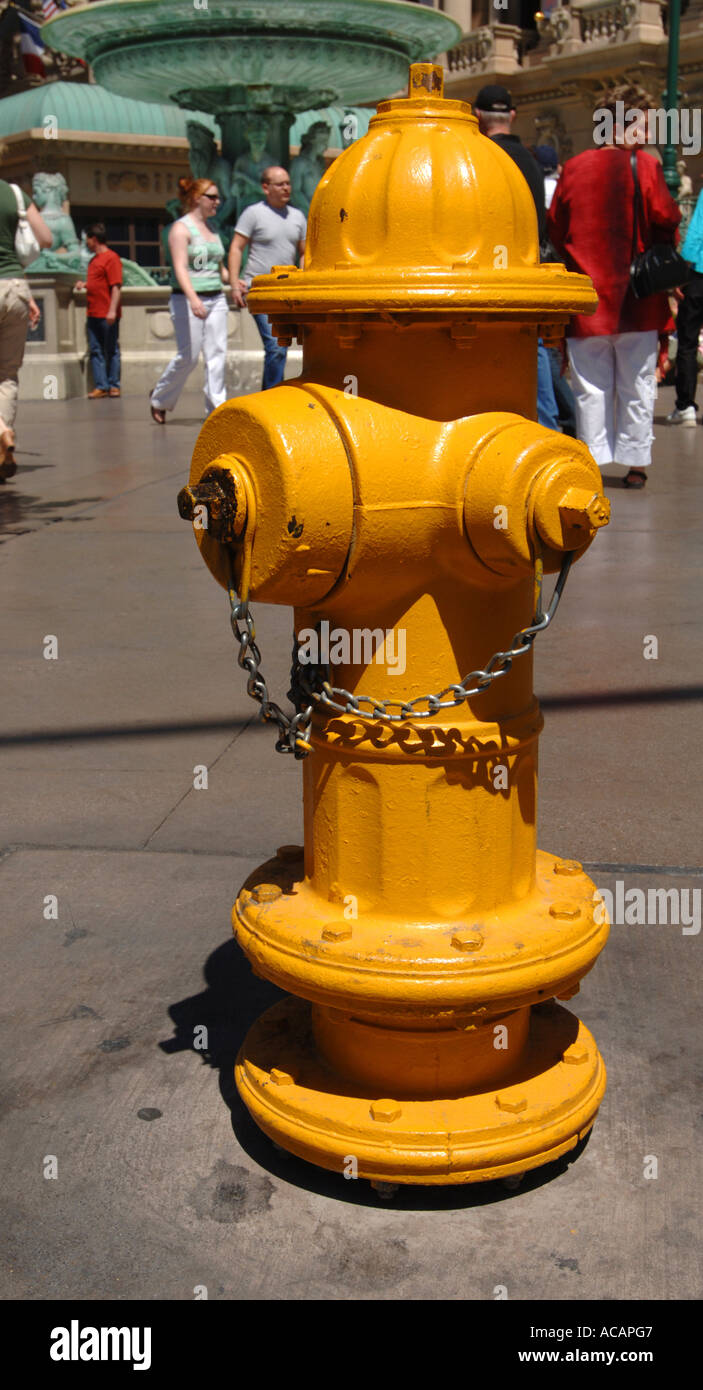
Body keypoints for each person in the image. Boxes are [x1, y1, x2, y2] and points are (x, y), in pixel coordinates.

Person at [548, 104, 681, 487]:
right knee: (637, 383)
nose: (645, 136)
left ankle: (592, 458)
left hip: (590, 295)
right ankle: (635, 464)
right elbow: (667, 216)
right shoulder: (645, 166)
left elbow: (556, 226)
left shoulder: (573, 168)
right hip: (636, 297)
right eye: (640, 129)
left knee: (589, 387)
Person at [474, 85, 560, 433]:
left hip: (488, 271)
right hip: (527, 268)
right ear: (511, 115)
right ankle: (550, 429)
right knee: (534, 348)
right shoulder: (531, 160)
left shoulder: (476, 156)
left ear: (477, 114)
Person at [149, 177, 229, 423]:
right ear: (197, 198)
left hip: (216, 297)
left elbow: (219, 267)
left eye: (218, 197)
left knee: (217, 354)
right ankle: (160, 397)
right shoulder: (180, 229)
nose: (217, 202)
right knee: (189, 356)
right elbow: (181, 268)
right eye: (212, 197)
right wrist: (193, 298)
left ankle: (217, 409)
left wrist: (235, 280)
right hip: (186, 298)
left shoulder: (213, 228)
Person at [228, 167, 306, 391]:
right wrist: (235, 283)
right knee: (275, 346)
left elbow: (303, 251)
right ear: (265, 187)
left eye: (288, 183)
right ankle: (271, 395)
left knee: (283, 345)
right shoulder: (253, 213)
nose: (286, 188)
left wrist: (301, 280)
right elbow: (236, 247)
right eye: (280, 184)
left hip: (287, 291)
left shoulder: (297, 216)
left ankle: (270, 394)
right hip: (259, 289)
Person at [0, 174, 51, 479]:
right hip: (16, 288)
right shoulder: (16, 193)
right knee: (6, 374)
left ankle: (2, 429)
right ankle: (3, 436)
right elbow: (45, 238)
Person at [666, 186, 703, 426]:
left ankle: (685, 405)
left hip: (700, 274)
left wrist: (683, 274)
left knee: (688, 341)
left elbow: (696, 232)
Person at [73, 222, 123, 399]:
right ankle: (101, 386)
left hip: (106, 314)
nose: (86, 243)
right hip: (92, 313)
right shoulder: (94, 260)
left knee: (111, 350)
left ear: (94, 239)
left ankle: (114, 385)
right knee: (96, 350)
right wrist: (85, 284)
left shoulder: (112, 258)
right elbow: (98, 283)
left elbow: (116, 286)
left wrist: (112, 311)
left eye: (87, 239)